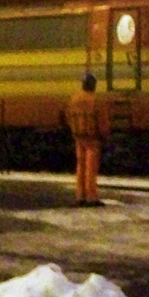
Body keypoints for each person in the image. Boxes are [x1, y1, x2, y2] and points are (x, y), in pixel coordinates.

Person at [65, 72, 108, 207]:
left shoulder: (74, 99)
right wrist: (105, 135)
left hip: (79, 138)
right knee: (91, 168)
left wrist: (74, 131)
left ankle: (80, 196)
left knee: (80, 167)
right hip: (93, 139)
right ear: (93, 85)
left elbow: (68, 117)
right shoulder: (95, 100)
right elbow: (102, 121)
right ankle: (91, 197)